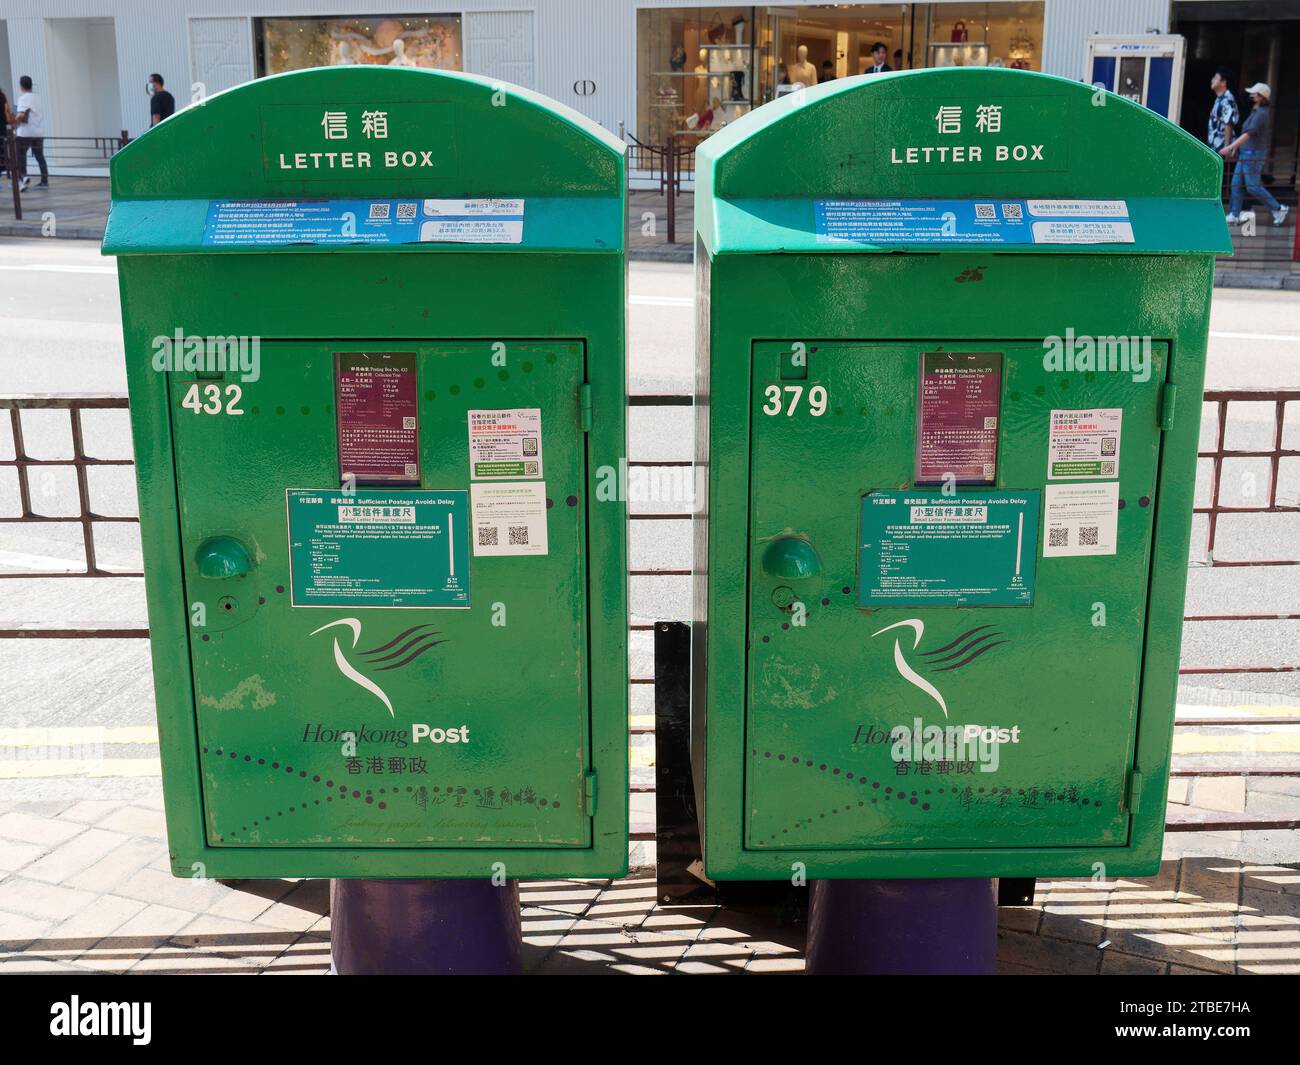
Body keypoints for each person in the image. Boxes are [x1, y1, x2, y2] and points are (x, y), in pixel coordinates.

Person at [1222, 82, 1288, 227]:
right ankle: (1234, 213)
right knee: (1236, 183)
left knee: (1253, 186)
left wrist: (1232, 146)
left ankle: (1278, 208)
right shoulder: (1256, 111)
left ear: (1261, 97)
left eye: (1254, 93)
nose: (1251, 95)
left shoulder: (1261, 114)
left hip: (1253, 154)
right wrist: (1236, 148)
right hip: (1247, 153)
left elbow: (1249, 134)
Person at [13, 76, 48, 192]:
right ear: (31, 85)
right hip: (38, 132)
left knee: (20, 156)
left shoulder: (23, 98)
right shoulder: (37, 98)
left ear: (21, 86)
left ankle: (23, 178)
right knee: (40, 156)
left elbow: (21, 115)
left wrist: (13, 123)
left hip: (25, 133)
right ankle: (44, 180)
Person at [1206, 69, 1237, 153]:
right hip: (1216, 146)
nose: (1212, 80)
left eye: (1215, 78)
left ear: (1223, 83)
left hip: (1221, 148)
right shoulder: (1219, 99)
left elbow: (1228, 123)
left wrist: (1227, 148)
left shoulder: (1227, 100)